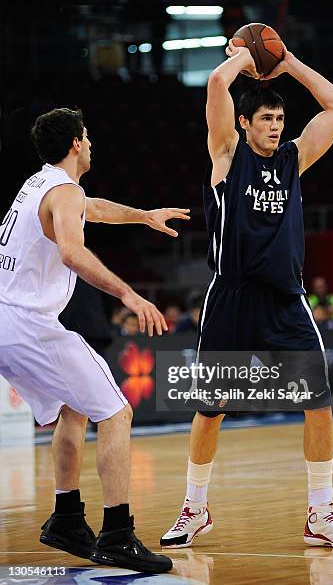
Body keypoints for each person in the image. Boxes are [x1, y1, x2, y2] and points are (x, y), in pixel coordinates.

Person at [161, 39, 333, 549]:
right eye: (266, 118)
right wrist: (247, 59)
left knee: (318, 403)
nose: (275, 125)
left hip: (284, 298)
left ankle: (321, 513)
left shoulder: (295, 159)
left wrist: (288, 62)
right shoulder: (227, 156)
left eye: (279, 118)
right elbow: (215, 85)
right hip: (231, 296)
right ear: (246, 125)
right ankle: (195, 508)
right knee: (211, 408)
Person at [0, 107, 191, 573]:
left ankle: (66, 517)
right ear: (76, 145)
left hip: (7, 323)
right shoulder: (62, 190)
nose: (91, 143)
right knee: (117, 411)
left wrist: (144, 216)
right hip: (28, 325)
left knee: (75, 408)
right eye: (87, 136)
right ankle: (118, 534)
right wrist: (128, 294)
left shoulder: (41, 184)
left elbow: (94, 208)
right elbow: (70, 249)